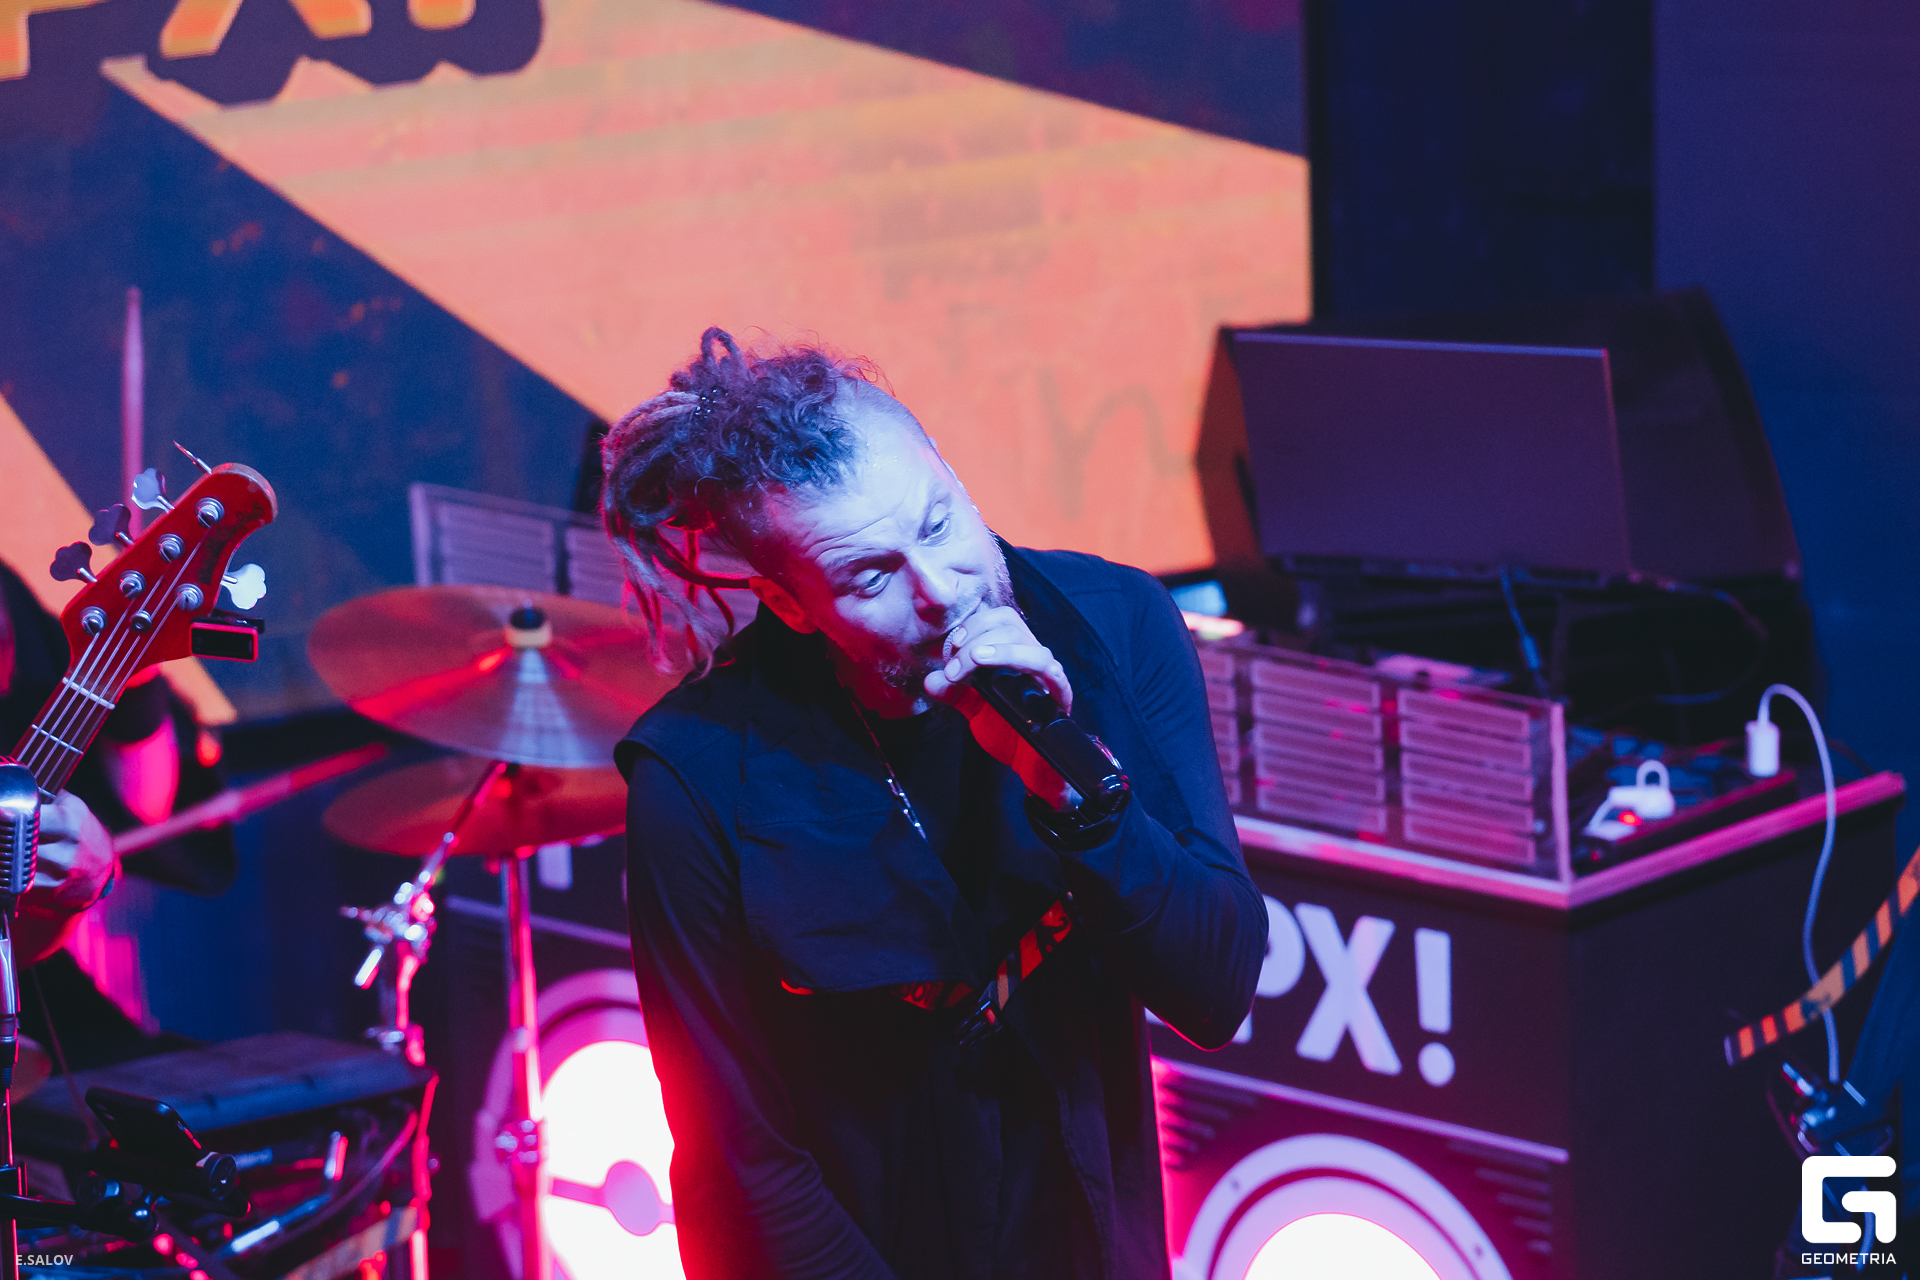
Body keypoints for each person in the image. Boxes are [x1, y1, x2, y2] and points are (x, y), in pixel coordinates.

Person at [604, 328, 1266, 1279]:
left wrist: (1075, 794)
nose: (941, 591)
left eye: (939, 522)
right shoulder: (696, 774)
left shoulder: (1113, 622)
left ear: (949, 471)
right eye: (871, 576)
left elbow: (1217, 987)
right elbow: (743, 1160)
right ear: (790, 604)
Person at [0, 557, 235, 1067]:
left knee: (182, 1085)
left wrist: (135, 672)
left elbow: (140, 809)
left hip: (31, 991)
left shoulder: (12, 609)